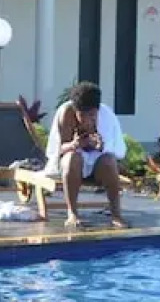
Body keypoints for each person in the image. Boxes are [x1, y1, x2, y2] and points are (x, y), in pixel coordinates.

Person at [45, 81, 126, 228]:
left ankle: (116, 214)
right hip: (72, 164)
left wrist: (100, 146)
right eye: (83, 115)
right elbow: (59, 149)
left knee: (109, 161)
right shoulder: (66, 113)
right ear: (75, 111)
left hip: (97, 165)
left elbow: (116, 150)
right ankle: (72, 213)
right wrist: (75, 145)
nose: (87, 119)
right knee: (72, 158)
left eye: (92, 114)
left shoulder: (106, 117)